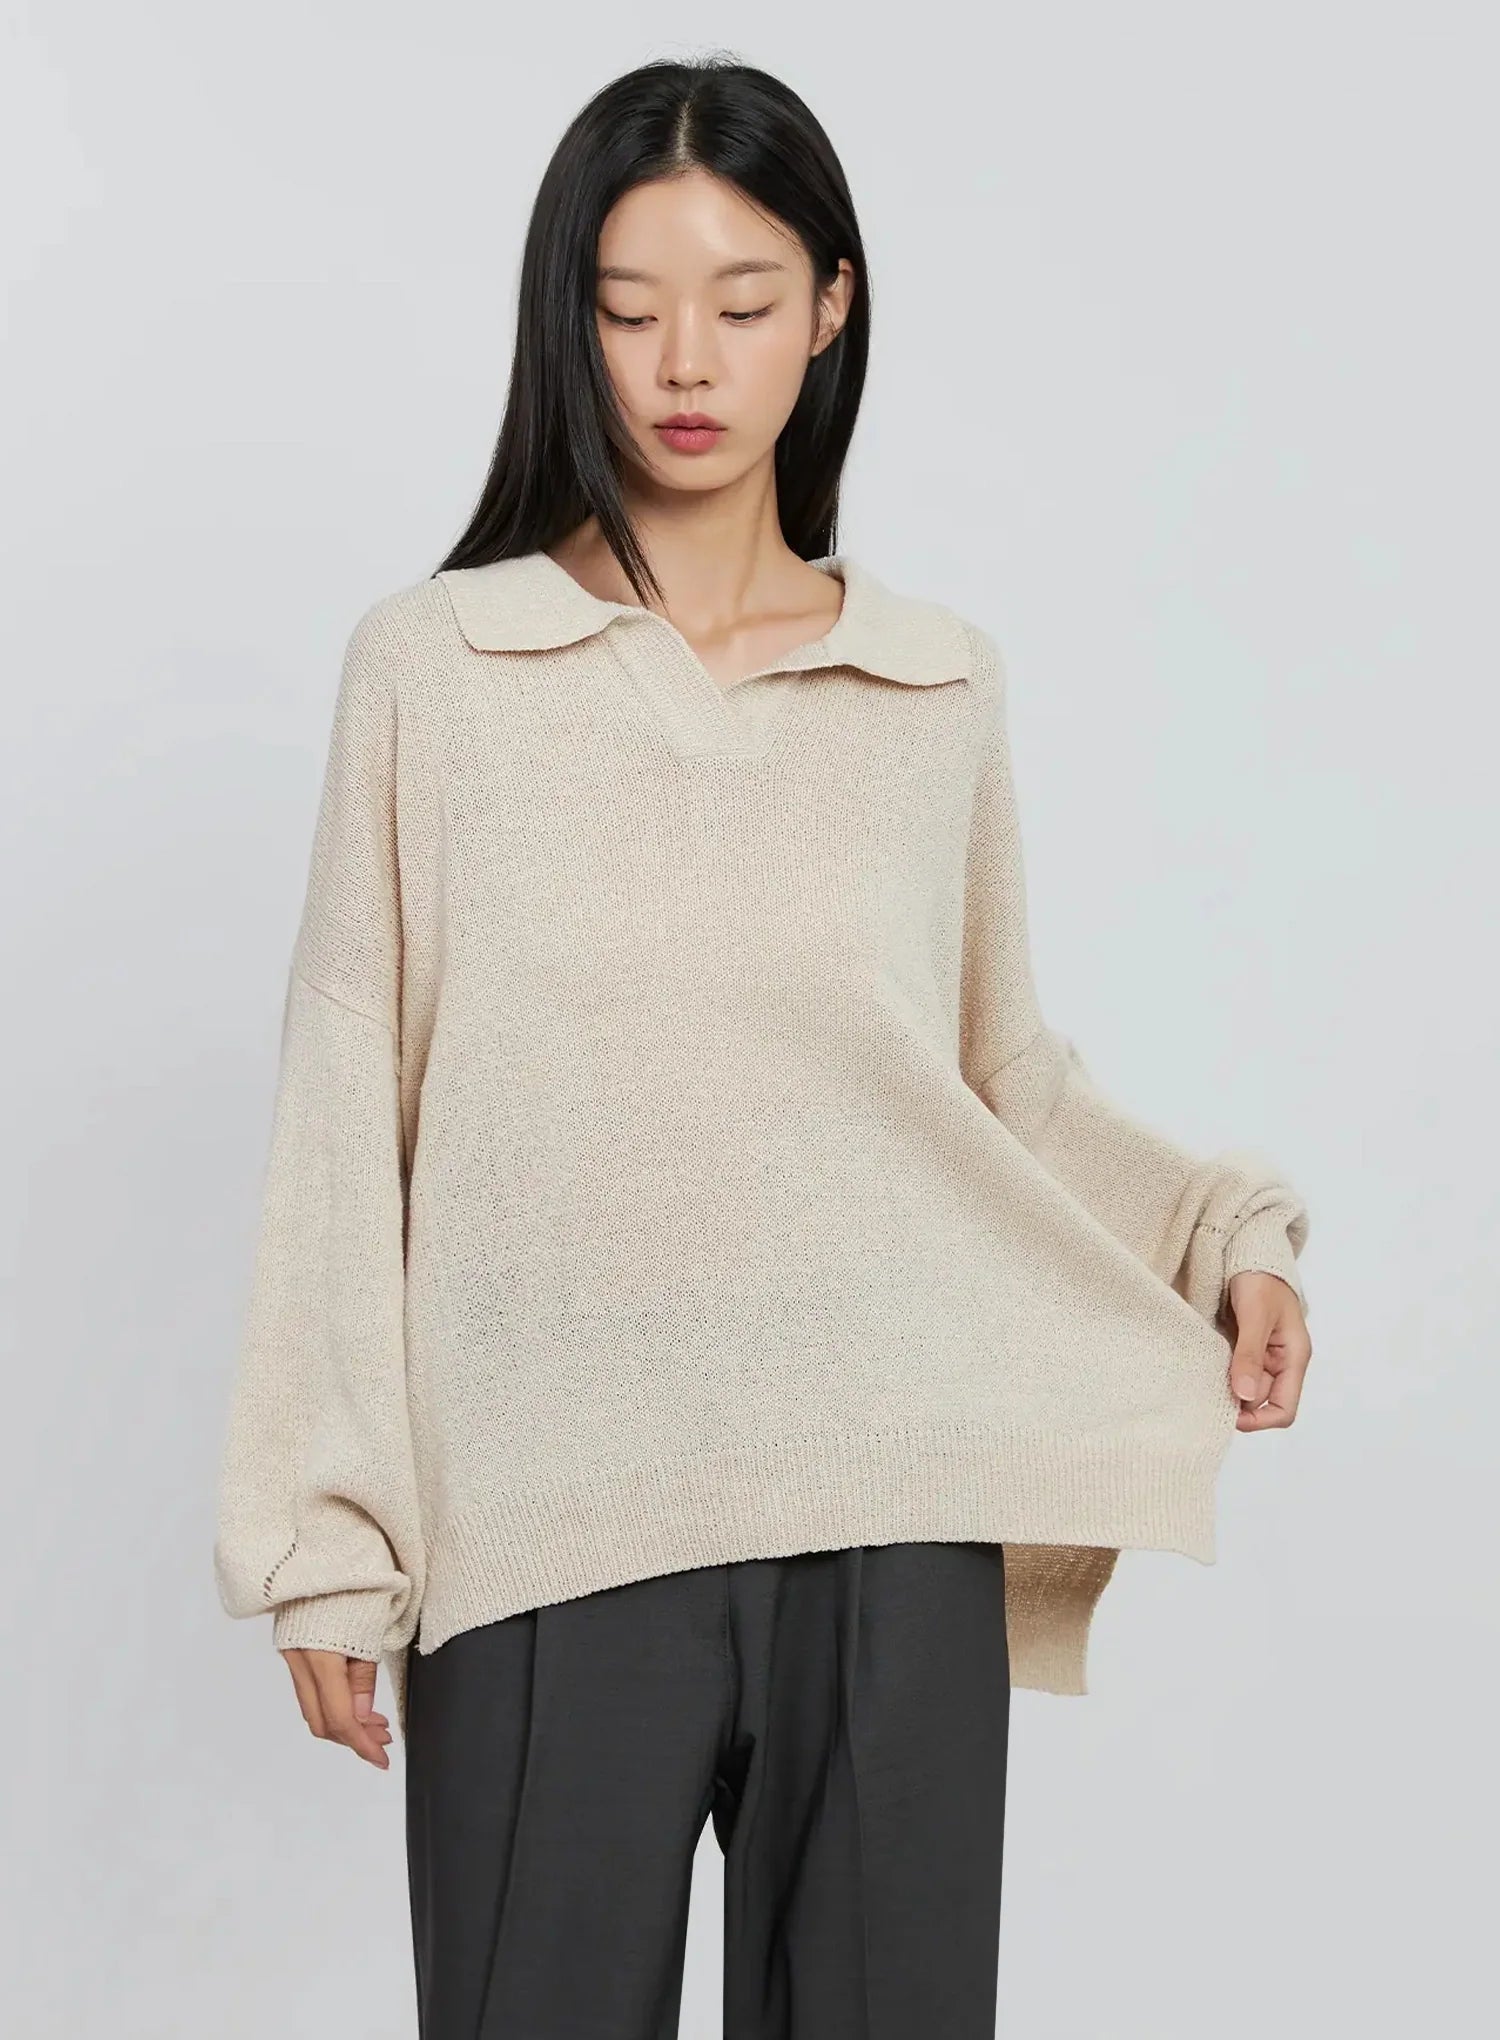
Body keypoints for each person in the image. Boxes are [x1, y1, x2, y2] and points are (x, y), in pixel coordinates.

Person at [211, 52, 1313, 2039]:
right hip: (550, 1527)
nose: (684, 364)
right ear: (569, 323)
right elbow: (347, 1106)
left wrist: (1221, 1230)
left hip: (892, 1517)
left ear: (832, 306)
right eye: (629, 309)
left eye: (739, 303)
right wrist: (326, 1538)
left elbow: (1001, 1081)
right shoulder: (438, 673)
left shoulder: (934, 686)